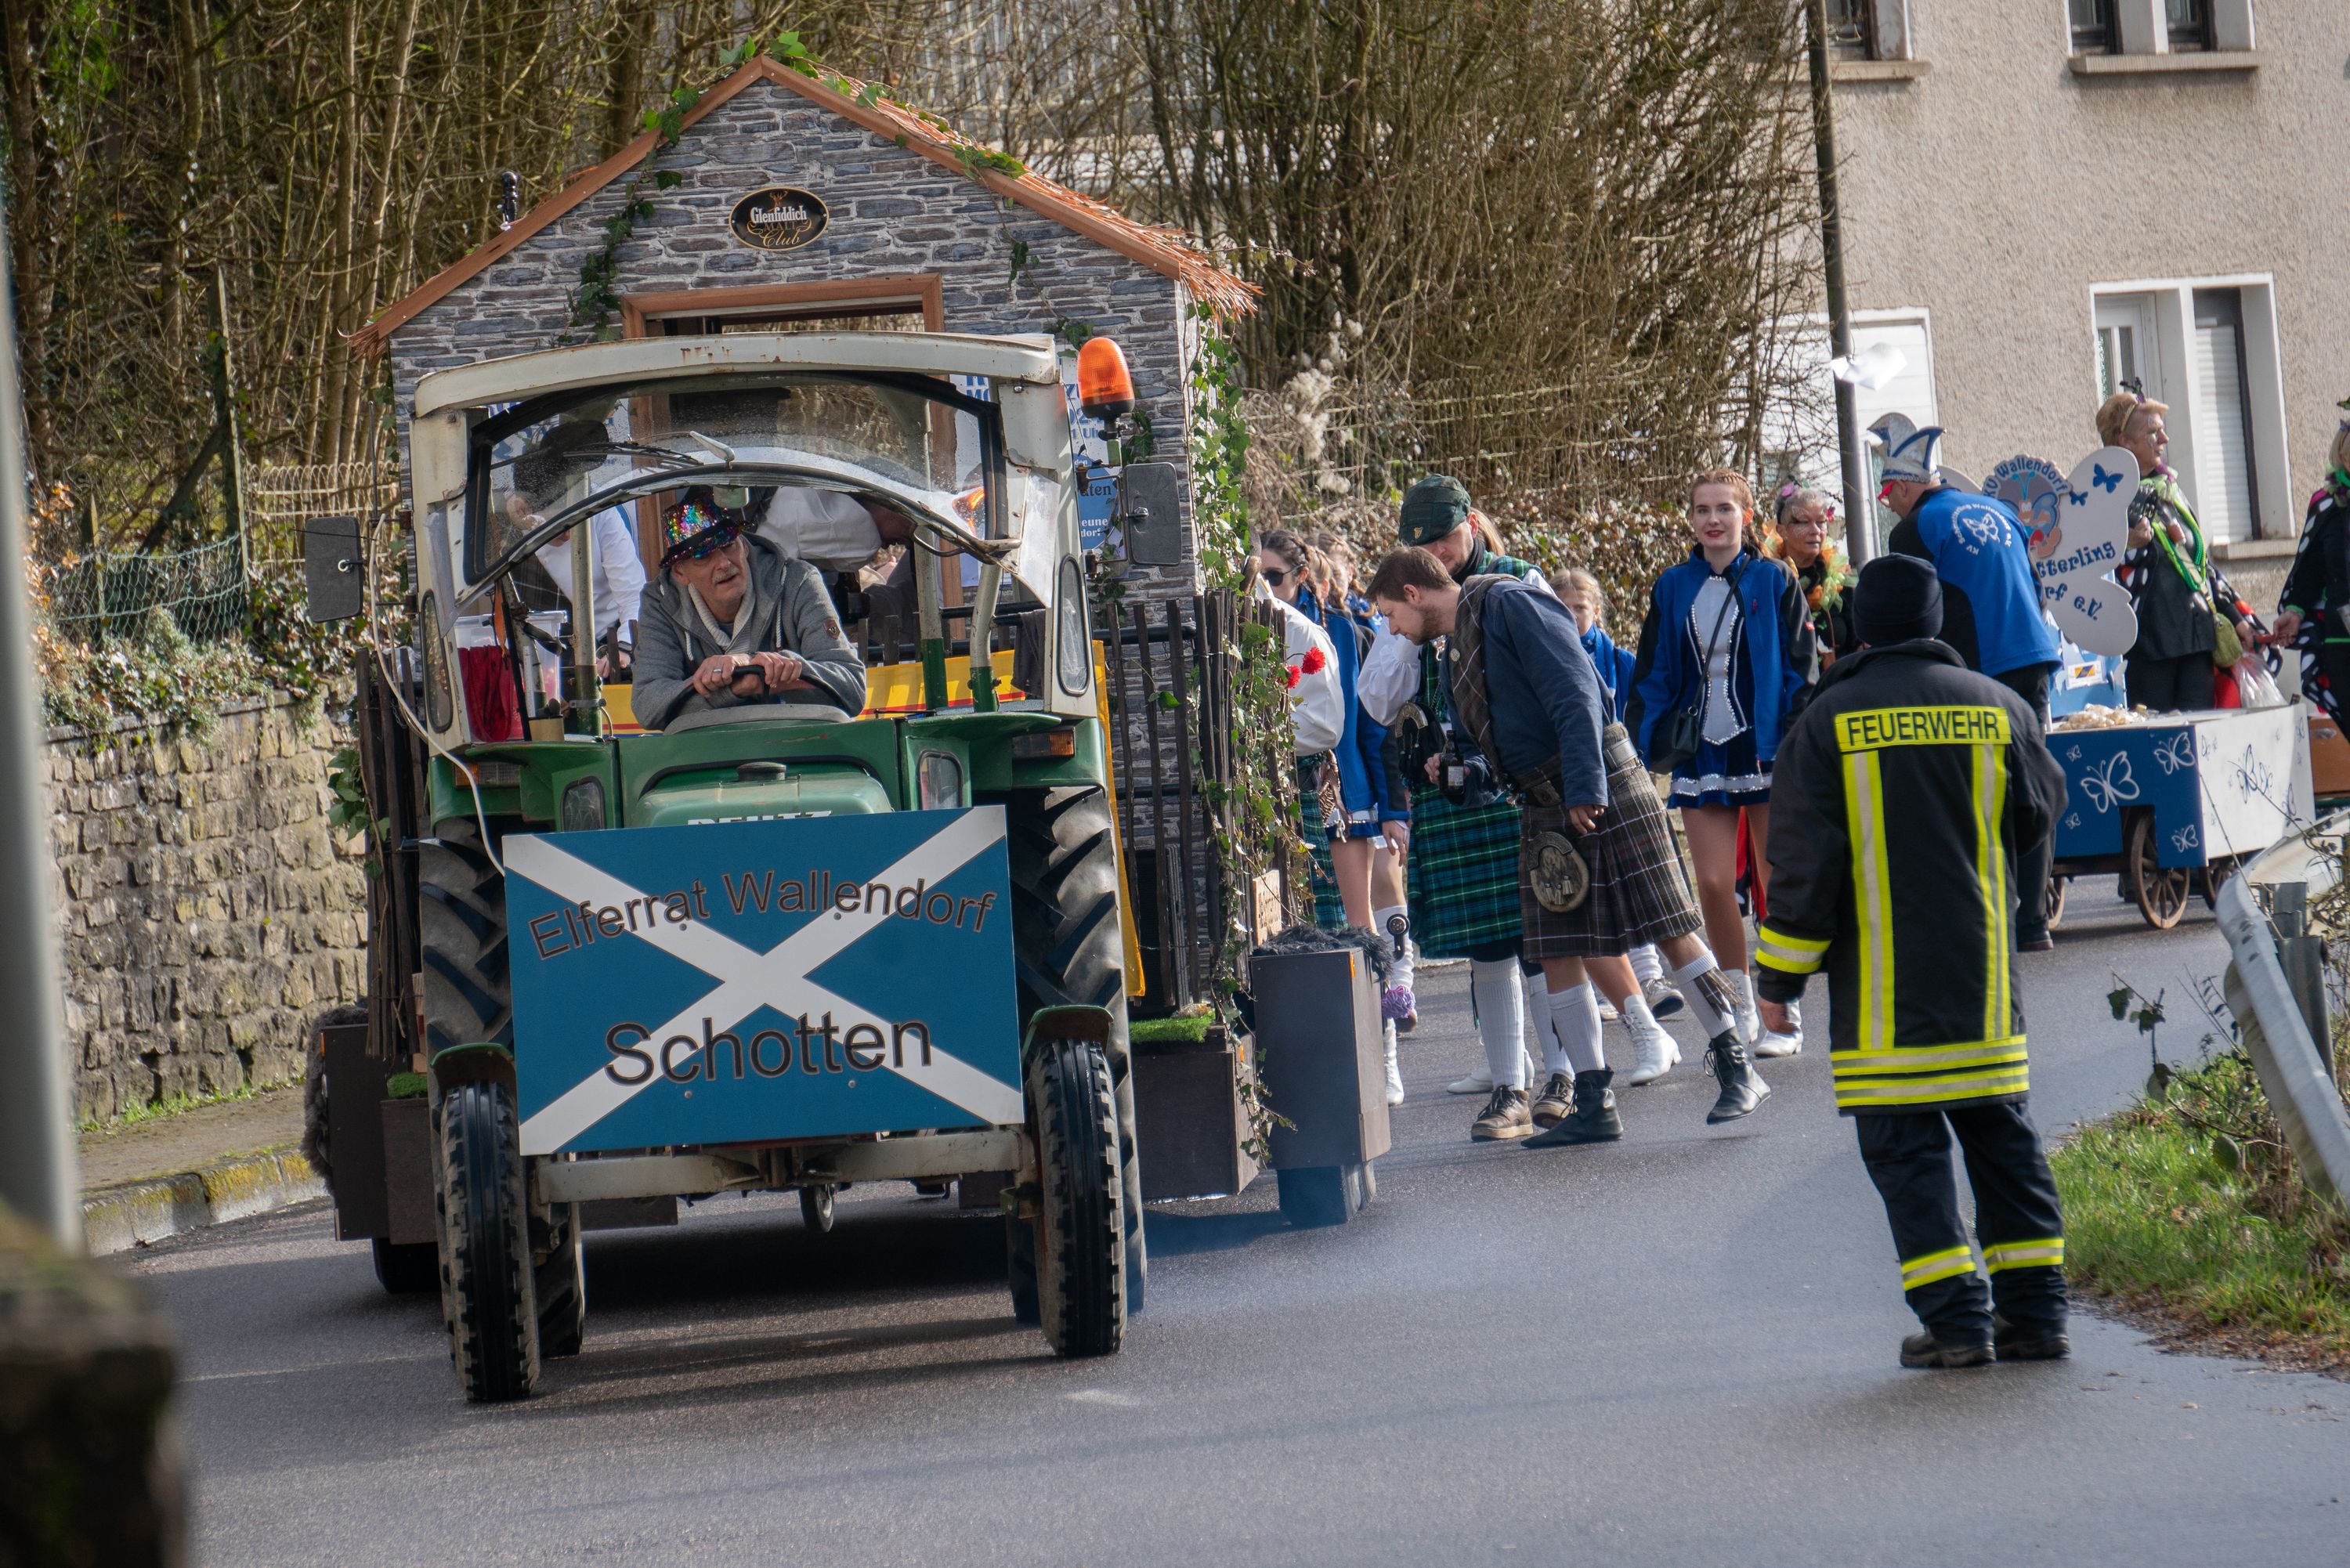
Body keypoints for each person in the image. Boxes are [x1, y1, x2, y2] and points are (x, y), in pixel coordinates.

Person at [1754, 555, 2071, 1370]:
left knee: (1907, 1155)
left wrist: (1779, 983)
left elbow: (1801, 868)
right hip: (1982, 982)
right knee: (2003, 1144)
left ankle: (1958, 1322)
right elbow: (2038, 817)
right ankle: (2036, 1318)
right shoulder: (2001, 709)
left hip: (1882, 1000)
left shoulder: (1824, 725)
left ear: (1859, 628)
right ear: (1936, 623)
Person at [1368, 546, 1770, 1145]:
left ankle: (1737, 1065)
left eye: (1389, 616)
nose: (1392, 631)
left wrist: (1585, 785)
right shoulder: (1454, 647)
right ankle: (1593, 1099)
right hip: (1541, 796)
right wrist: (1459, 771)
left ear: (1412, 593)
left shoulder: (1508, 600)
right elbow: (1501, 740)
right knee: (1555, 946)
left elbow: (1576, 690)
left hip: (1599, 778)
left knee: (1667, 922)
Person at [1375, 479, 1587, 1136]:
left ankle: (1565, 1076)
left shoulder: (1517, 581)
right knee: (1487, 947)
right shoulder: (1414, 597)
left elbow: (1564, 677)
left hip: (1516, 781)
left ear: (1471, 523)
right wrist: (1412, 636)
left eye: (1444, 537)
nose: (1437, 551)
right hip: (1452, 785)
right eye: (1422, 545)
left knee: (1539, 937)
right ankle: (1508, 1088)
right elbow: (1379, 702)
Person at [1625, 471, 1817, 1059]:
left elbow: (1798, 668)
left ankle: (1781, 1012)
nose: (1714, 519)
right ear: (1690, 519)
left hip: (1763, 745)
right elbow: (1654, 669)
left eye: (1725, 509)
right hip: (1699, 748)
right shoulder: (1672, 585)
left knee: (1771, 880)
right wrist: (1644, 738)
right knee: (1711, 883)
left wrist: (1789, 737)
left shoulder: (1774, 578)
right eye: (1703, 510)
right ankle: (1739, 1003)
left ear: (1747, 517)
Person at [1868, 413, 2063, 952]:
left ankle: (1982, 913)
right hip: (2033, 659)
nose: (1886, 502)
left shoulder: (1914, 529)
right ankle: (2034, 924)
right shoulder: (1998, 509)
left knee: (1971, 791)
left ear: (1906, 485)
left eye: (1887, 490)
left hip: (1975, 667)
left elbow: (1914, 608)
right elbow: (2032, 585)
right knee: (2029, 785)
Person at [1551, 565, 1687, 1075]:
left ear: (1597, 612)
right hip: (1581, 782)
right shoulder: (1550, 656)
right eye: (1561, 609)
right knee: (1599, 886)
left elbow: (1642, 708)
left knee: (1634, 880)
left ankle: (1651, 979)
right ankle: (1631, 982)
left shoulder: (1619, 660)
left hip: (1620, 772)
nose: (1571, 617)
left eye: (1579, 609)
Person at [632, 489, 867, 730]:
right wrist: (737, 686)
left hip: (800, 746)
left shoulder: (798, 580)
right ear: (680, 573)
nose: (723, 563)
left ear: (744, 545)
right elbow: (648, 705)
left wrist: (773, 672)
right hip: (705, 756)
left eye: (728, 545)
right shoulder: (660, 601)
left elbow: (852, 688)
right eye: (703, 556)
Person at [2097, 390, 2258, 715]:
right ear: (2125, 442)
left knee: (2201, 739)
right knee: (2158, 747)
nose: (2164, 439)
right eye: (2153, 432)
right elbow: (2088, 566)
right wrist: (2125, 546)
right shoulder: (2102, 496)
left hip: (2195, 638)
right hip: (2149, 646)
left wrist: (2235, 615)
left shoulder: (2169, 490)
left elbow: (2201, 564)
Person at [2274, 412, 2350, 720]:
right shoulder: (2327, 504)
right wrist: (2295, 610)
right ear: (2343, 457)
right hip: (2341, 637)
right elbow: (2311, 568)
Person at [1766, 486, 1859, 665]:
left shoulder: (1841, 579)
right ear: (1781, 530)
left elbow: (1859, 643)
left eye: (1821, 521)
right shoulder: (1770, 579)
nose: (1816, 530)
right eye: (1804, 522)